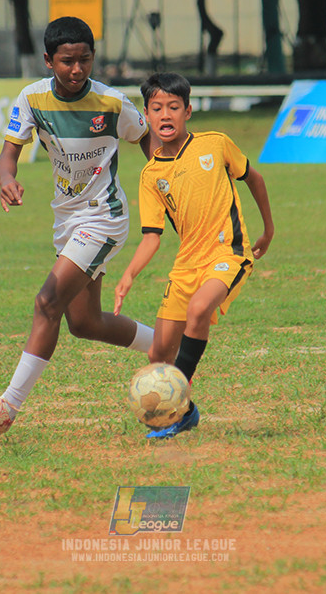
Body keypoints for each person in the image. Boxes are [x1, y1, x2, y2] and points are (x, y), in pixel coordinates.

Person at [0, 16, 154, 434]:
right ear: (48, 60)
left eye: (85, 60)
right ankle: (164, 345)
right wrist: (6, 178)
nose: (77, 70)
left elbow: (146, 139)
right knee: (85, 323)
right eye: (67, 61)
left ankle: (6, 407)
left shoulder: (111, 103)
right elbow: (8, 153)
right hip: (67, 219)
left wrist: (167, 176)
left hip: (104, 217)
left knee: (47, 302)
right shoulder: (32, 99)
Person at [113, 72, 275, 438]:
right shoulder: (151, 174)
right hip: (187, 264)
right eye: (157, 108)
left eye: (173, 107)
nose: (165, 115)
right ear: (147, 116)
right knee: (158, 356)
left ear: (188, 111)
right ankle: (186, 413)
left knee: (199, 310)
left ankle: (173, 404)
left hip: (228, 252)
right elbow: (152, 238)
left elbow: (255, 179)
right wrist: (129, 275)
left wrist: (268, 229)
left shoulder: (216, 144)